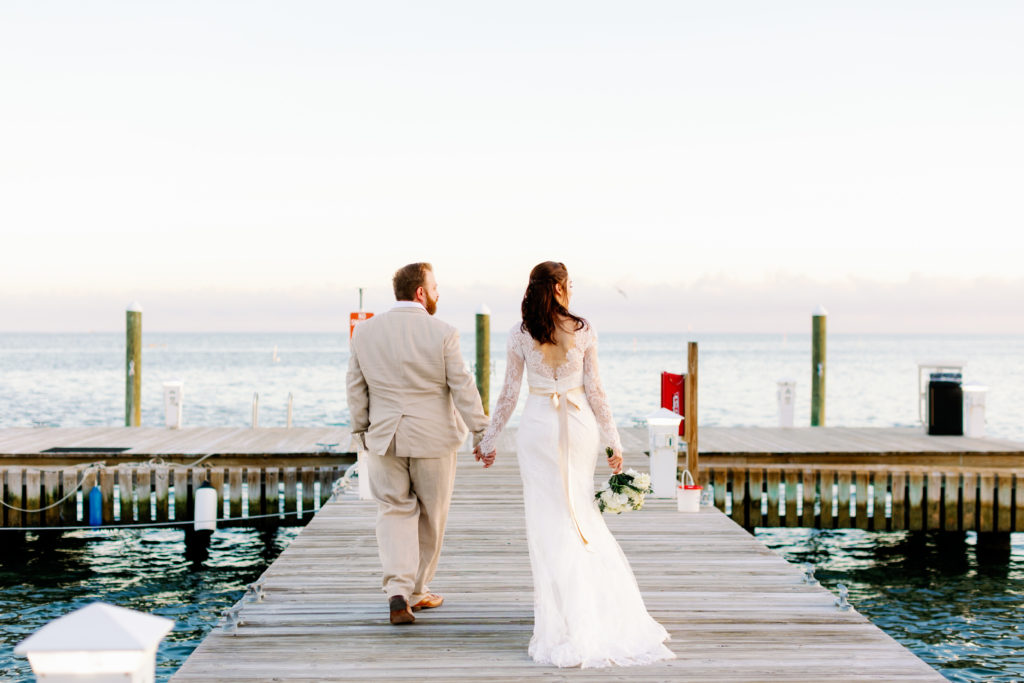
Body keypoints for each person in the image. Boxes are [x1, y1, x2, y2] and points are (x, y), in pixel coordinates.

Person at [474, 261, 675, 668]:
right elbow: (597, 391)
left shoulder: (519, 333)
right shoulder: (582, 330)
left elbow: (509, 395)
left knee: (548, 520)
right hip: (578, 423)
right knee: (580, 515)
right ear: (562, 287)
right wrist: (613, 442)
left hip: (536, 428)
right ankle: (591, 614)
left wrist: (488, 440)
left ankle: (563, 620)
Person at [347, 262, 489, 625]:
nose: (439, 293)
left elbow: (355, 387)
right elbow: (462, 386)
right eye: (435, 287)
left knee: (393, 511)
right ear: (420, 292)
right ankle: (417, 592)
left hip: (384, 437)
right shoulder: (443, 332)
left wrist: (362, 430)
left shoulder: (364, 332)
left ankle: (397, 590)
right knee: (431, 517)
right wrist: (480, 431)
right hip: (434, 439)